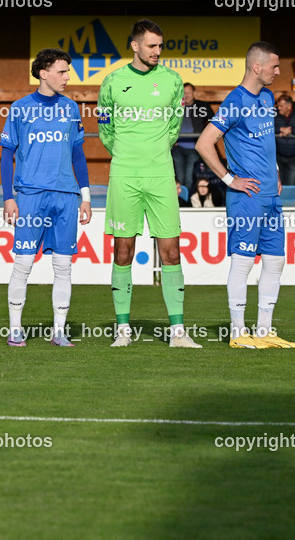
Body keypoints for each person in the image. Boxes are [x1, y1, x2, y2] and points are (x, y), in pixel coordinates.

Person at [96, 19, 200, 348]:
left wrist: (154, 153)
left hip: (161, 174)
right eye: (152, 45)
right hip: (124, 175)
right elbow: (105, 128)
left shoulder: (172, 80)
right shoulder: (112, 82)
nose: (157, 51)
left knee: (171, 252)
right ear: (135, 46)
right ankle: (123, 330)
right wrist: (125, 154)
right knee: (123, 251)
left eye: (160, 45)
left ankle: (178, 332)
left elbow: (173, 127)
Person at [195, 42, 295, 350]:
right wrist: (230, 179)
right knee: (243, 262)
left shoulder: (266, 97)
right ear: (257, 67)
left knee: (275, 260)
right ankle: (238, 333)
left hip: (270, 195)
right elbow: (204, 143)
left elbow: (265, 142)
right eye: (274, 66)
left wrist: (276, 171)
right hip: (247, 197)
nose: (278, 71)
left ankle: (264, 331)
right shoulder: (235, 101)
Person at [1, 48, 91, 348]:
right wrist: (8, 197)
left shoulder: (71, 108)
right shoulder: (19, 108)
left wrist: (86, 196)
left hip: (66, 196)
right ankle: (15, 329)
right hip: (30, 195)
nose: (67, 77)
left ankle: (59, 332)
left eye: (68, 71)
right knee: (24, 263)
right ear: (43, 73)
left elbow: (78, 154)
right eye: (62, 71)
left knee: (63, 266)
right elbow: (7, 154)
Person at [172, 83, 213, 188]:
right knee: (179, 178)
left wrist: (205, 139)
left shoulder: (202, 106)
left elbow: (214, 122)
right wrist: (172, 139)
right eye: (184, 93)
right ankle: (181, 198)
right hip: (178, 148)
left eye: (189, 93)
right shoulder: (175, 107)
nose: (186, 95)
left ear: (194, 93)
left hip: (194, 148)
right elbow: (167, 124)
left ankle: (189, 198)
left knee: (189, 178)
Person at [274, 94, 295, 186]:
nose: (278, 108)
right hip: (278, 156)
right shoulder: (275, 112)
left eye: (281, 106)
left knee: (290, 184)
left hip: (294, 157)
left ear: (289, 106)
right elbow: (267, 127)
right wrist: (280, 129)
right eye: (278, 105)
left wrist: (291, 131)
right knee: (277, 185)